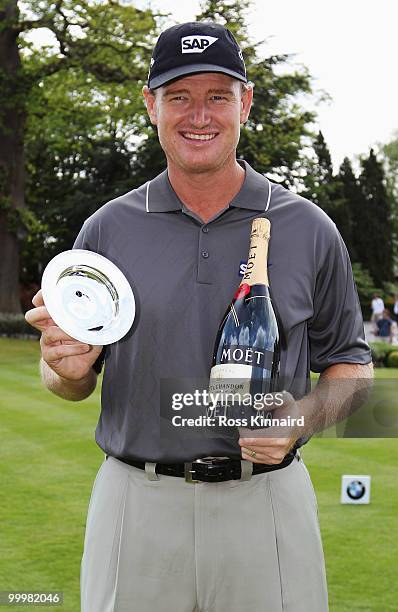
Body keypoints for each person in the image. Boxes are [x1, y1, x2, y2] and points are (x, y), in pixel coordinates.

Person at [25, 21, 373, 612]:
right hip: (137, 500)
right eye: (179, 96)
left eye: (218, 95)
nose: (199, 115)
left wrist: (304, 417)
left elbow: (353, 368)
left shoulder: (309, 227)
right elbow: (68, 379)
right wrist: (67, 367)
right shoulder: (107, 228)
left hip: (266, 502)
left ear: (245, 101)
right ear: (151, 105)